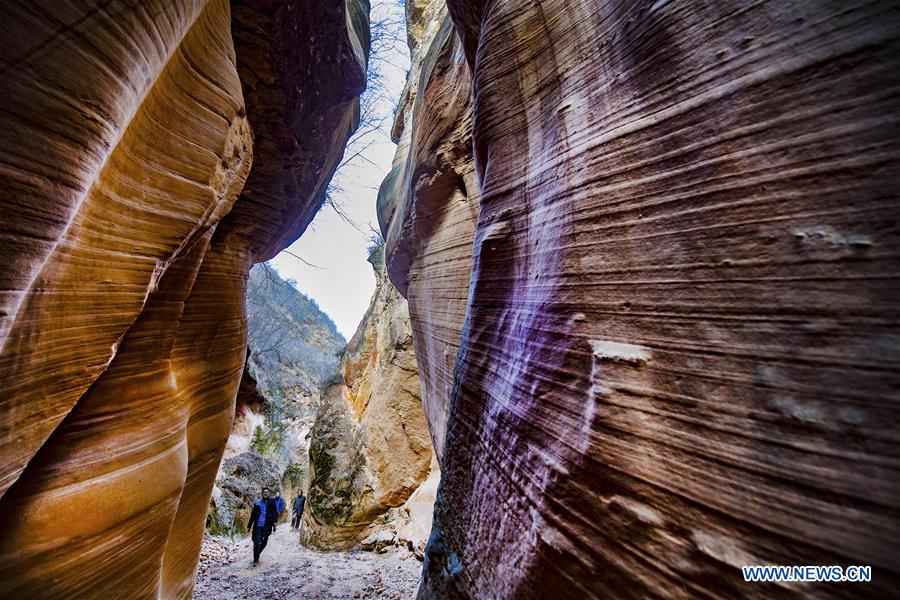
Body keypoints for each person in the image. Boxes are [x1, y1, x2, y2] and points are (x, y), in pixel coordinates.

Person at [247, 487, 277, 567]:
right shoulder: (258, 502)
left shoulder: (272, 501)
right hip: (258, 526)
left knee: (264, 541)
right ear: (262, 493)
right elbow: (253, 515)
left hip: (267, 526)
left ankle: (257, 553)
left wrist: (275, 522)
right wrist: (249, 526)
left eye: (267, 492)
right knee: (256, 542)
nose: (265, 493)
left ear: (269, 493)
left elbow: (275, 512)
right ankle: (255, 560)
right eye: (264, 492)